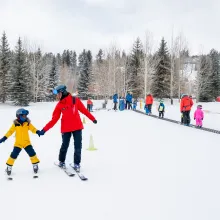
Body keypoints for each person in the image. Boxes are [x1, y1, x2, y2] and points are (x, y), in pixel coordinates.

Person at [39, 85, 97, 172]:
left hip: (77, 127)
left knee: (78, 146)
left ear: (62, 92)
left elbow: (84, 110)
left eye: (58, 94)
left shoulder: (75, 100)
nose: (57, 96)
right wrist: (44, 130)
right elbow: (54, 119)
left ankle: (77, 164)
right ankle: (61, 162)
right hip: (66, 129)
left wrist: (93, 119)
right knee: (64, 146)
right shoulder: (59, 105)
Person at [0, 108, 43, 176]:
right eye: (23, 116)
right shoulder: (15, 124)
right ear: (18, 116)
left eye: (25, 116)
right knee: (13, 155)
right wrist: (4, 138)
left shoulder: (27, 123)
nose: (25, 117)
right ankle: (9, 167)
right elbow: (10, 132)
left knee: (32, 153)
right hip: (18, 143)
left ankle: (35, 164)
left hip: (26, 142)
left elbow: (33, 129)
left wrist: (38, 132)